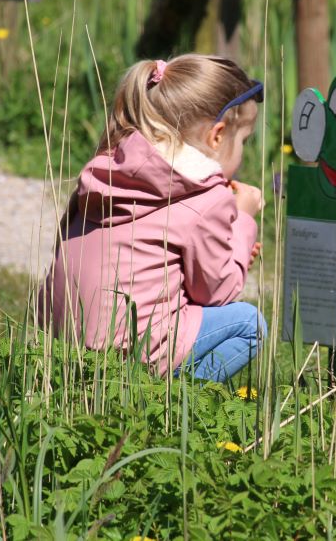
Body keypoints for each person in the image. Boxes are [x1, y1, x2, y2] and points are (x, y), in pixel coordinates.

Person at [39, 54, 266, 381]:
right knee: (249, 325)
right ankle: (177, 402)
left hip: (61, 338)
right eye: (242, 140)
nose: (242, 151)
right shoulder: (208, 196)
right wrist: (243, 220)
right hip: (129, 350)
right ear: (216, 136)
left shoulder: (109, 164)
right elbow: (216, 293)